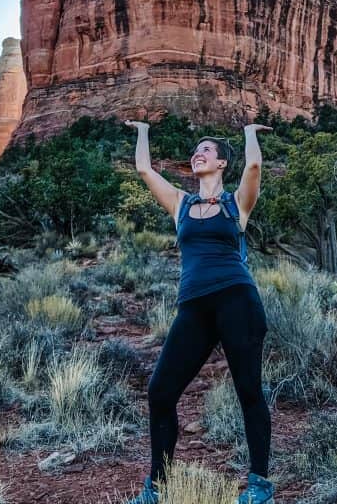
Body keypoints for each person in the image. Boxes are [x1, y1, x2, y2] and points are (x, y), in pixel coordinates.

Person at [123, 119, 275, 504]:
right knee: (160, 392)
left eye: (206, 150)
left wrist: (249, 133)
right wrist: (143, 130)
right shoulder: (181, 203)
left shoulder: (235, 203)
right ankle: (156, 488)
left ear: (222, 164)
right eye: (196, 150)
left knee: (248, 392)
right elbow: (144, 169)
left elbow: (254, 168)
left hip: (237, 300)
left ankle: (259, 487)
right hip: (193, 308)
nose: (198, 154)